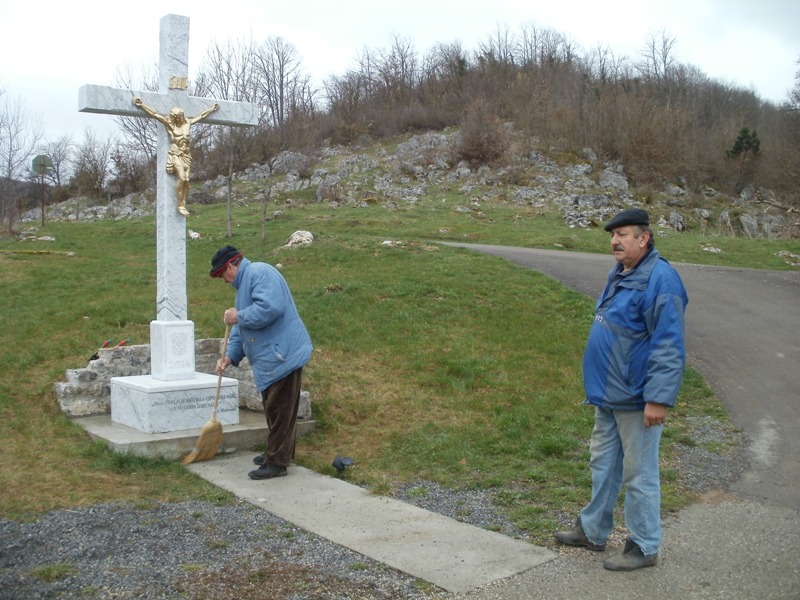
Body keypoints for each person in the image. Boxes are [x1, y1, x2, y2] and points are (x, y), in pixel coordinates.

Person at [555, 208, 688, 571]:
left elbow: (668, 345)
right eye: (612, 235)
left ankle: (644, 545)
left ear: (644, 238)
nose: (615, 241)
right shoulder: (622, 272)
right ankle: (593, 530)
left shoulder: (661, 280)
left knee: (638, 474)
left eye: (623, 234)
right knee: (603, 464)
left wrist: (658, 398)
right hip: (609, 395)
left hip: (636, 398)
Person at [210, 245, 313, 480]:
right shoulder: (243, 285)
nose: (222, 281)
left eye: (221, 275)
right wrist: (229, 356)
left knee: (280, 409)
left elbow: (270, 308)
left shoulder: (259, 273)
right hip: (272, 357)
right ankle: (277, 453)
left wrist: (239, 316)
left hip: (283, 354)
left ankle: (277, 462)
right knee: (275, 408)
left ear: (230, 267)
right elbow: (241, 329)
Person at [132, 97, 219, 216]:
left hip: (186, 155)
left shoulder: (187, 123)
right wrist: (142, 105)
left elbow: (201, 116)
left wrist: (212, 109)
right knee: (182, 178)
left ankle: (183, 202)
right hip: (175, 154)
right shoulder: (170, 125)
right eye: (177, 117)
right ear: (174, 117)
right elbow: (155, 114)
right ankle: (180, 205)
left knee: (187, 181)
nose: (180, 118)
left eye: (181, 116)